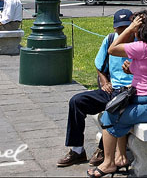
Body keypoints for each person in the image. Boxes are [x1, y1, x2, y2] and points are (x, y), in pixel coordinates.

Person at [92, 11, 147, 178]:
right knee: (117, 110)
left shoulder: (141, 47)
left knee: (109, 116)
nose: (134, 32)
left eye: (136, 27)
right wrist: (132, 69)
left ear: (140, 29)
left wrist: (128, 29)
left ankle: (108, 164)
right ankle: (119, 158)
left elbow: (112, 49)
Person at [56, 9, 134, 168]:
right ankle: (77, 150)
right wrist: (105, 81)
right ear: (114, 28)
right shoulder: (110, 39)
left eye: (126, 27)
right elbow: (99, 65)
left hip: (130, 92)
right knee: (77, 102)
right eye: (120, 28)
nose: (123, 32)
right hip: (112, 90)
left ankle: (103, 148)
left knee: (115, 108)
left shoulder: (141, 43)